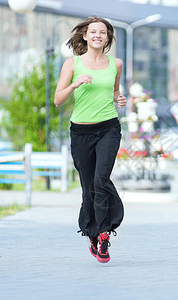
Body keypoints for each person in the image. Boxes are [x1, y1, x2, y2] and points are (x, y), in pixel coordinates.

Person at [54, 16, 127, 263]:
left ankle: (104, 232)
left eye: (103, 32)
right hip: (81, 132)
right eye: (93, 31)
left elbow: (115, 90)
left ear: (107, 38)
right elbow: (58, 99)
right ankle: (92, 233)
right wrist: (75, 84)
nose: (98, 35)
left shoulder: (115, 64)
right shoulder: (72, 63)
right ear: (85, 36)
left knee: (101, 179)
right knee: (89, 187)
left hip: (108, 128)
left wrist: (120, 98)